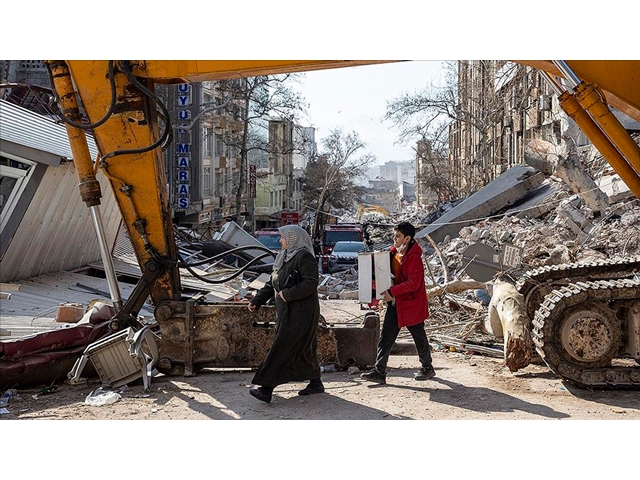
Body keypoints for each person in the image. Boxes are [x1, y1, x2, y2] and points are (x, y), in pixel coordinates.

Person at [246, 224, 324, 403]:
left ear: (293, 239)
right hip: (287, 311)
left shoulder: (304, 257)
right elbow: (273, 283)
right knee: (305, 348)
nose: (280, 240)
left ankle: (266, 389)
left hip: (301, 312)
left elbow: (311, 282)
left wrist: (288, 294)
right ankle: (315, 382)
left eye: (283, 237)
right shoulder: (283, 257)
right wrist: (257, 300)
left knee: (282, 347)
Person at [361, 221, 435, 384]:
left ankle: (427, 367)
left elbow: (413, 283)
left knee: (418, 336)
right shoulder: (394, 253)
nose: (394, 239)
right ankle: (379, 370)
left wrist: (391, 292)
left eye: (398, 236)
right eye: (394, 236)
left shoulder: (414, 257)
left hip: (410, 304)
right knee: (386, 336)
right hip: (396, 304)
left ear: (407, 238)